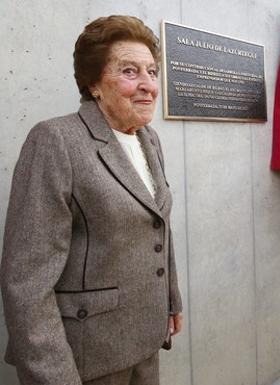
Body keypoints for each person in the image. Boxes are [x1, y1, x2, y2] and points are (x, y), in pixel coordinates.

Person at [0, 15, 183, 385]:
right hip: (88, 355)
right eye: (130, 72)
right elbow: (26, 281)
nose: (148, 85)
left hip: (146, 340)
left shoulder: (149, 139)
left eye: (151, 71)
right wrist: (55, 376)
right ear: (94, 83)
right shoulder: (56, 141)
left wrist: (170, 299)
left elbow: (156, 222)